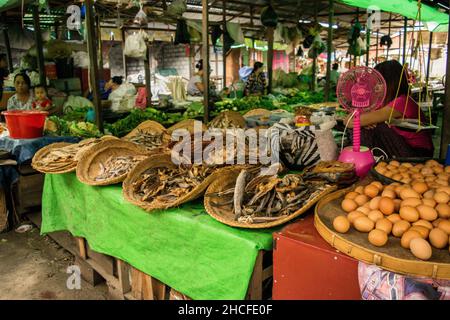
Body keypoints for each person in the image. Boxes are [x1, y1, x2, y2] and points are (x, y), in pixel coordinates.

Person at [344, 60, 433, 158]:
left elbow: (352, 121)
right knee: (364, 126)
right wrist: (364, 121)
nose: (375, 85)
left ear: (389, 82)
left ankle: (364, 160)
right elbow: (350, 120)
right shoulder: (384, 101)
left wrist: (364, 121)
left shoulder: (402, 102)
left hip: (418, 153)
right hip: (403, 146)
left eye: (379, 81)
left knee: (376, 127)